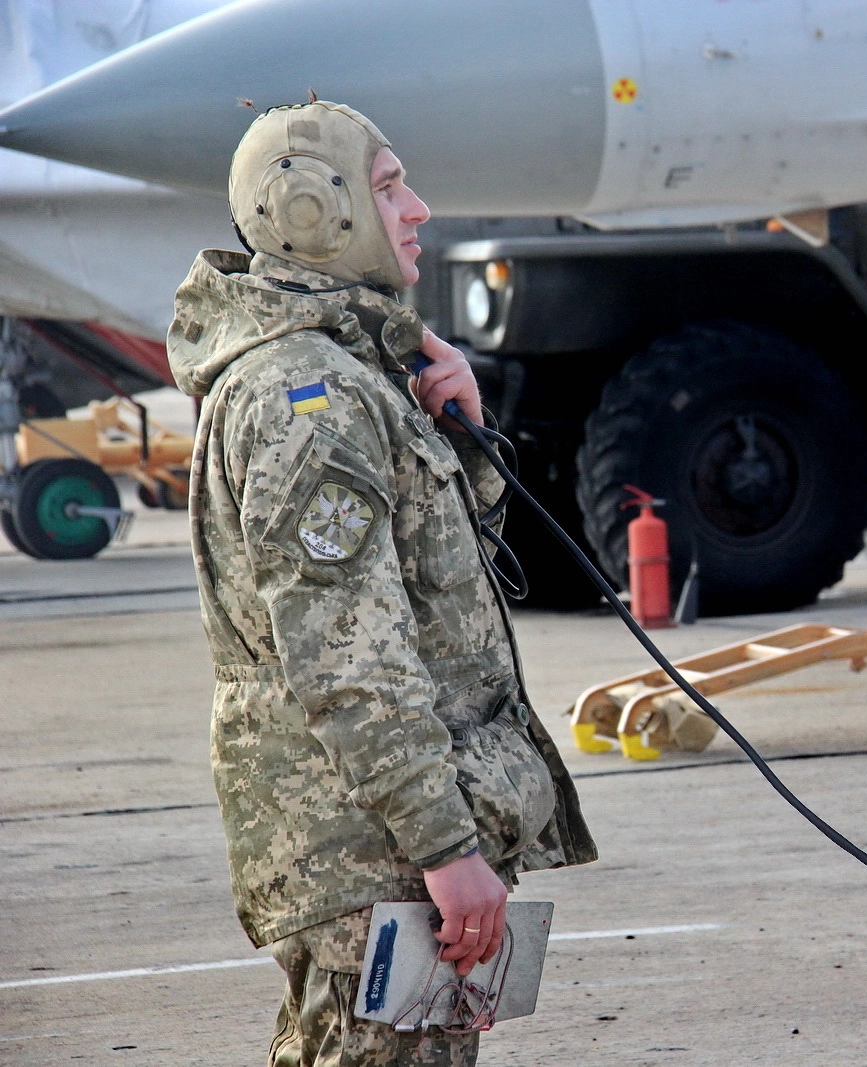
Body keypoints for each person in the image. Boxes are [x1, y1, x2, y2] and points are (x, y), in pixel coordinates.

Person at [167, 100, 597, 1066]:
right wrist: (447, 852)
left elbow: (434, 595)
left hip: (385, 836)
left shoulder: (354, 378)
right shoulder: (305, 398)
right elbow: (347, 658)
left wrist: (465, 439)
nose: (419, 211)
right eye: (390, 186)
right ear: (314, 210)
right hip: (375, 848)